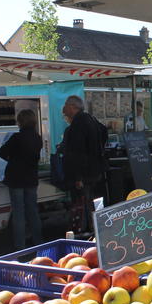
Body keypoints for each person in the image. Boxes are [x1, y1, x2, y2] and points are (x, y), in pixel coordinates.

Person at [61, 95, 108, 237]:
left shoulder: (78, 124)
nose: (63, 110)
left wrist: (78, 177)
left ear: (72, 107)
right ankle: (94, 230)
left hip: (85, 172)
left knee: (84, 204)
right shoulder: (90, 119)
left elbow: (77, 153)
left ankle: (87, 233)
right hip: (95, 170)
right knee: (91, 202)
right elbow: (104, 131)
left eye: (65, 106)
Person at [0, 109, 43, 249]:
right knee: (33, 211)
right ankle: (39, 242)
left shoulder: (16, 138)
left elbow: (1, 152)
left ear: (20, 122)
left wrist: (11, 159)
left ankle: (20, 246)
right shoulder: (37, 137)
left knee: (18, 213)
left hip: (16, 178)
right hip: (31, 178)